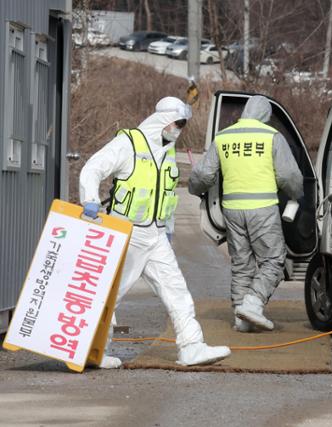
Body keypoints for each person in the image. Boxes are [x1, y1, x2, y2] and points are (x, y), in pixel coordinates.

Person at [79, 96, 231, 369]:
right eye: (177, 123)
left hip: (156, 236)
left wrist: (168, 231)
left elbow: (166, 196)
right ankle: (92, 349)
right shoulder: (129, 143)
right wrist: (89, 199)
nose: (179, 130)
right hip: (127, 234)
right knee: (110, 294)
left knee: (176, 290)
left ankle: (191, 346)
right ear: (163, 120)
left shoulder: (167, 151)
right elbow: (93, 167)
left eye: (182, 125)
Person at [188, 95, 303, 332]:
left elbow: (204, 175)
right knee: (273, 259)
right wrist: (297, 194)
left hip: (231, 210)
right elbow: (288, 176)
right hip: (262, 208)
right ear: (266, 116)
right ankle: (253, 303)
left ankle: (241, 319)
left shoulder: (224, 137)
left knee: (242, 263)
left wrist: (195, 189)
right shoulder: (271, 136)